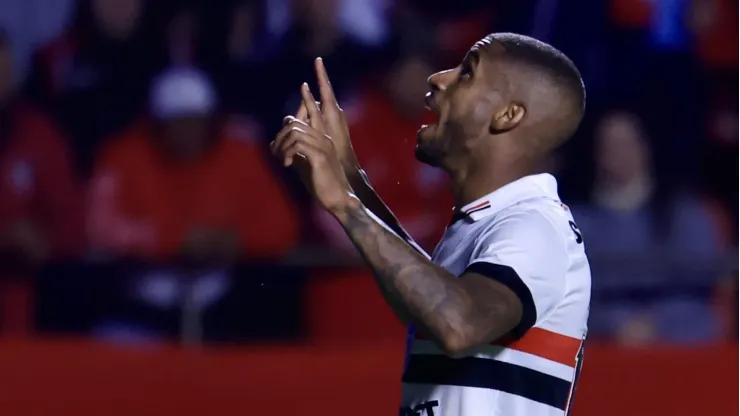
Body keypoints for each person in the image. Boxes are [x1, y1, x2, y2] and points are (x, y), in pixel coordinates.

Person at [272, 33, 590, 415]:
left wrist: (345, 203)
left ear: (508, 115)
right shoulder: (490, 221)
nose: (438, 78)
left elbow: (460, 324)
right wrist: (352, 179)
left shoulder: (536, 225)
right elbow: (424, 303)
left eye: (467, 73)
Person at [88, 67, 299, 263]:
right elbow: (99, 229)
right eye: (177, 123)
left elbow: (282, 225)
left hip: (227, 285)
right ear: (156, 126)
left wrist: (239, 240)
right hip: (139, 286)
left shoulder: (239, 154)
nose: (187, 133)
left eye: (195, 122)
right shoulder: (124, 155)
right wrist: (174, 240)